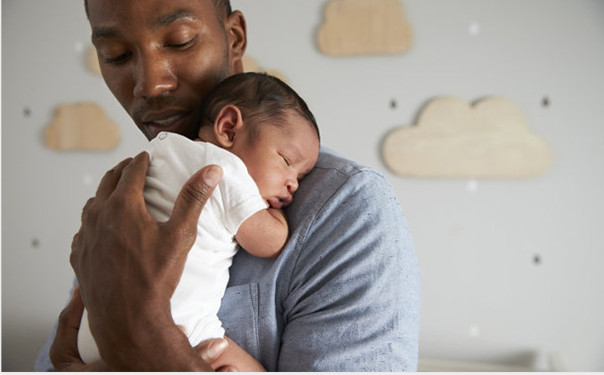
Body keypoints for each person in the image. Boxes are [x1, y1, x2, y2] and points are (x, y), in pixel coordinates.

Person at [36, 0, 420, 371]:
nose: (150, 84)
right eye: (117, 54)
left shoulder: (348, 211)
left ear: (234, 38)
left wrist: (150, 340)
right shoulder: (125, 200)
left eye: (181, 40)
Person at [76, 72, 321, 364]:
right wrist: (276, 214)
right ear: (229, 129)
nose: (293, 183)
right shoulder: (226, 170)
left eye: (300, 177)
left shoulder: (161, 150)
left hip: (93, 331)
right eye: (286, 161)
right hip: (180, 328)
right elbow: (269, 242)